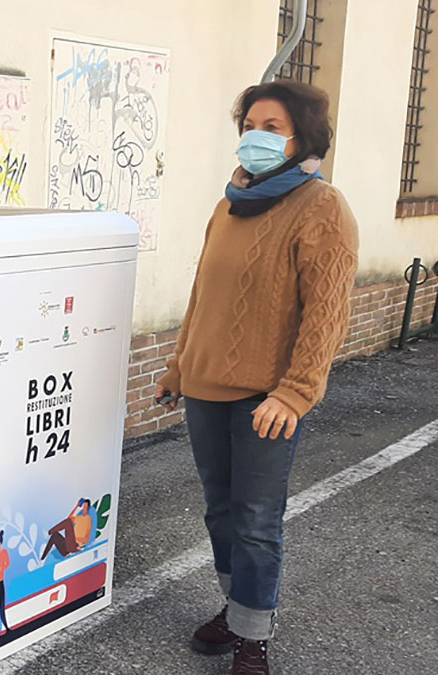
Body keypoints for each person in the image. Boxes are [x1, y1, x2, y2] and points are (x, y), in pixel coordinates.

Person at [155, 80, 358, 675]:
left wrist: (295, 393)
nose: (255, 136)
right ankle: (235, 607)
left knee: (256, 521)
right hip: (205, 388)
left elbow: (327, 313)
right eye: (249, 124)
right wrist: (177, 365)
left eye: (272, 127)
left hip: (267, 400)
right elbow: (203, 297)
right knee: (220, 511)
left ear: (303, 138)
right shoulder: (227, 205)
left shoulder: (323, 207)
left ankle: (252, 637)